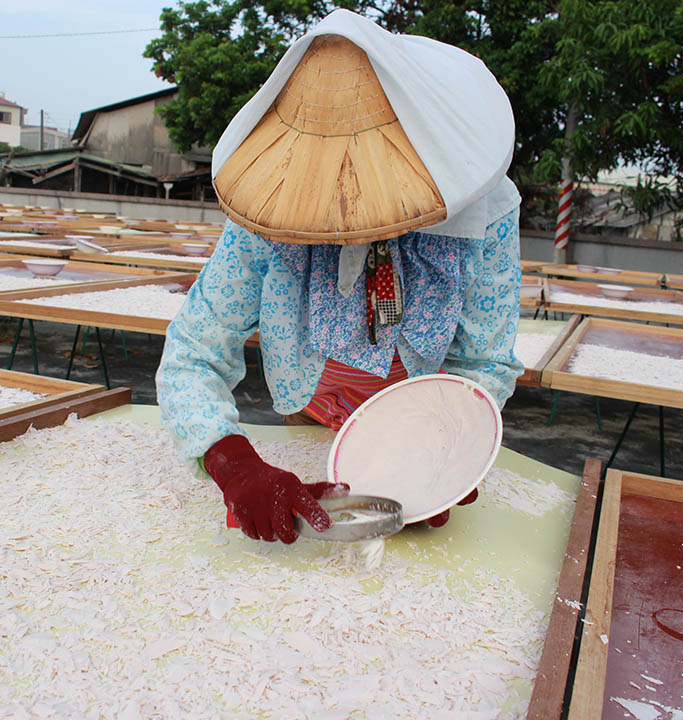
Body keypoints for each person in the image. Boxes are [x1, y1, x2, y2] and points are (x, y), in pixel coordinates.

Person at [156, 10, 524, 544]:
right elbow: (193, 353)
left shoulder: (479, 215)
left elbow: (484, 361)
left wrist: (451, 446)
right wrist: (231, 462)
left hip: (422, 425)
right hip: (309, 423)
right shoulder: (272, 210)